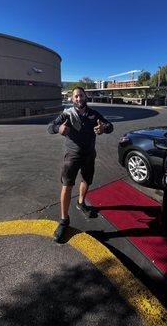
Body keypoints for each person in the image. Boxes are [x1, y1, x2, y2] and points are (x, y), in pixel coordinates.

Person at [47, 86, 113, 242]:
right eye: (76, 96)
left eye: (81, 96)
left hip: (89, 155)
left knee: (86, 180)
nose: (79, 98)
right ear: (72, 99)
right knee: (67, 185)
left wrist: (104, 128)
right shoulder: (67, 114)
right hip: (72, 156)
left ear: (85, 97)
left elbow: (110, 126)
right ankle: (64, 221)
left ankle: (81, 202)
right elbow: (50, 127)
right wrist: (59, 128)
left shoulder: (93, 114)